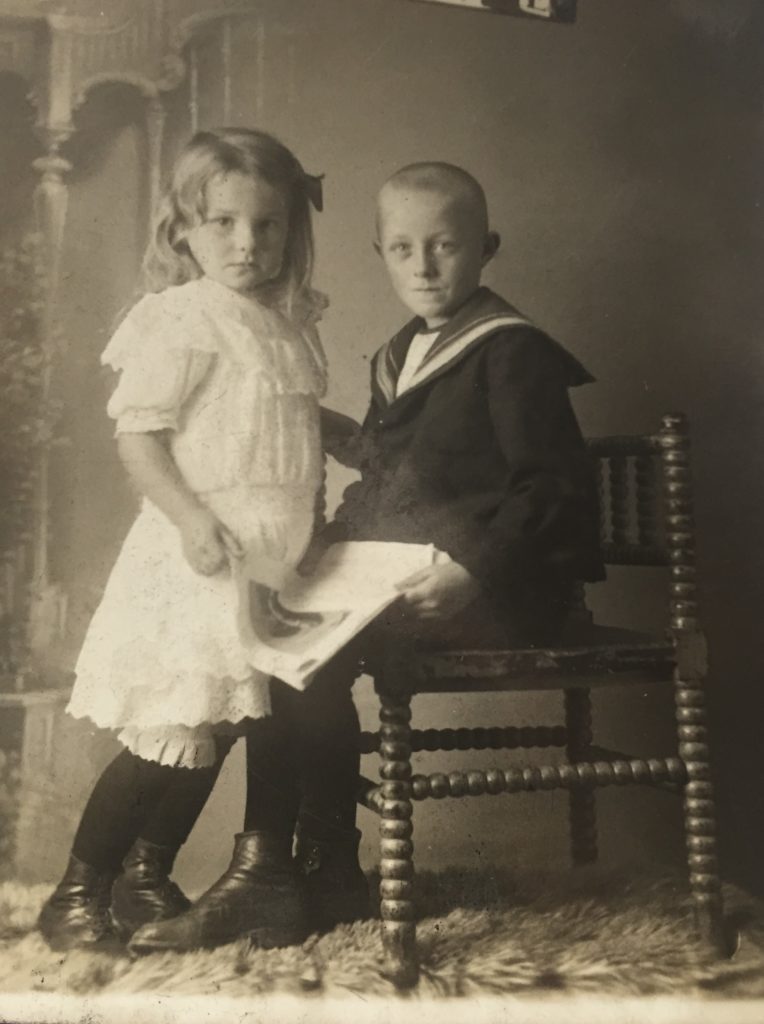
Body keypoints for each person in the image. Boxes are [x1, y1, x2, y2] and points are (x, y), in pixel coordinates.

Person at [128, 161, 603, 955]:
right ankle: (314, 865)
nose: (424, 267)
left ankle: (282, 871)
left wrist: (472, 569)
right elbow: (386, 483)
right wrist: (323, 555)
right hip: (413, 577)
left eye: (445, 246)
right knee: (284, 633)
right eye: (403, 249)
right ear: (381, 253)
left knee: (302, 656)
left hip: (500, 591)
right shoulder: (400, 354)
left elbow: (552, 488)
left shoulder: (510, 352)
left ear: (486, 248)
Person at [38, 127, 333, 953]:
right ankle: (76, 893)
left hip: (270, 558)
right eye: (222, 224)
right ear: (183, 230)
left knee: (222, 729)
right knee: (171, 734)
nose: (246, 243)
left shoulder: (286, 321)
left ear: (291, 231)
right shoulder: (184, 318)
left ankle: (145, 877)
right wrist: (192, 519)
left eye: (267, 225)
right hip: (200, 554)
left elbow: (277, 420)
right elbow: (140, 436)